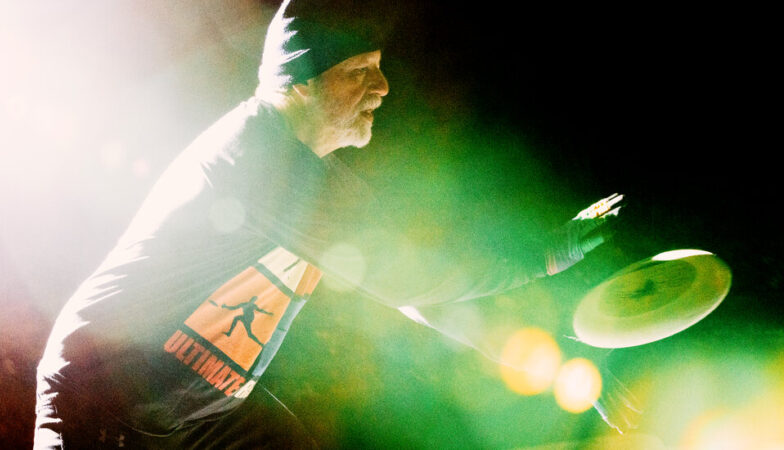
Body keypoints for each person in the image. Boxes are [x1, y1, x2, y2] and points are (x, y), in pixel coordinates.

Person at [34, 1, 631, 448]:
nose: (383, 85)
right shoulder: (260, 154)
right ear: (300, 79)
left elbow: (420, 298)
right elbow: (405, 278)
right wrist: (546, 256)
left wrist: (561, 366)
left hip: (192, 413)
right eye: (361, 69)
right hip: (102, 397)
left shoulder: (317, 179)